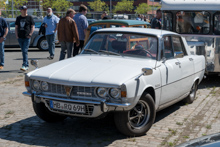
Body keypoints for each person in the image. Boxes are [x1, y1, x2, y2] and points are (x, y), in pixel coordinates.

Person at [15, 6, 35, 71]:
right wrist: (17, 36)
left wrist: (30, 34)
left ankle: (25, 65)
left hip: (27, 37)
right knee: (23, 51)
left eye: (26, 10)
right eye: (23, 10)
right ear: (21, 10)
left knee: (24, 51)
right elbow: (16, 27)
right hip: (20, 37)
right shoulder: (18, 18)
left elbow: (33, 27)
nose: (25, 11)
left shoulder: (30, 17)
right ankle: (26, 64)